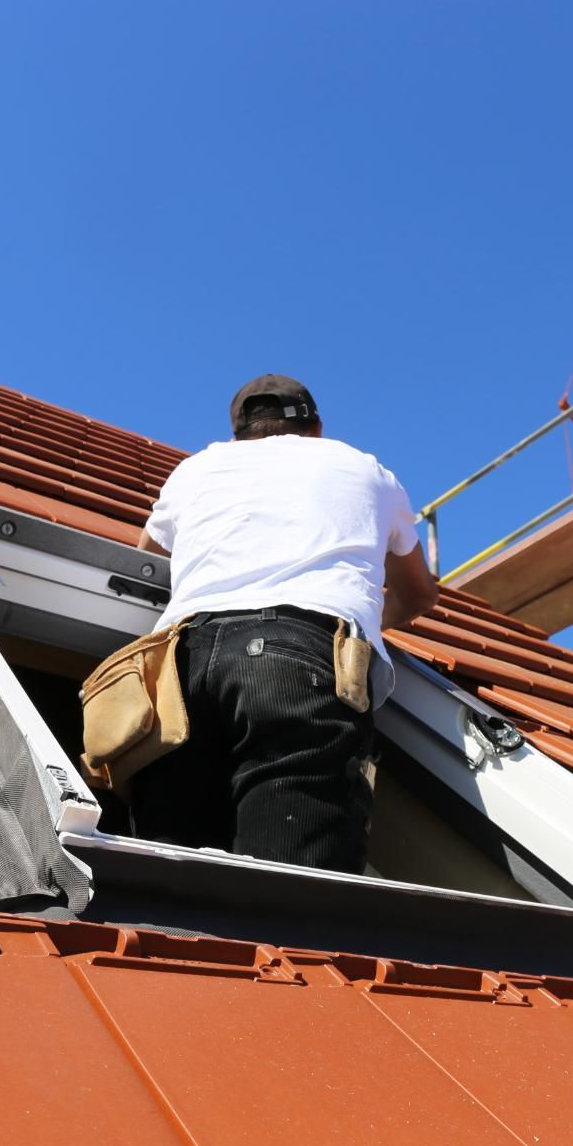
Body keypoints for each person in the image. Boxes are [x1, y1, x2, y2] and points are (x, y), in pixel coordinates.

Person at [128, 373, 440, 872]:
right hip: (298, 659)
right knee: (288, 891)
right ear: (316, 427)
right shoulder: (363, 468)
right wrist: (359, 614)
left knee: (172, 882)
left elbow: (141, 561)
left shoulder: (197, 468)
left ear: (238, 436)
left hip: (179, 663)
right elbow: (420, 593)